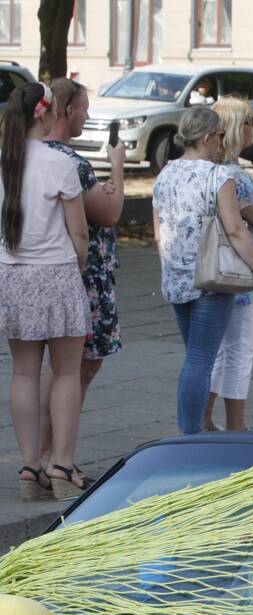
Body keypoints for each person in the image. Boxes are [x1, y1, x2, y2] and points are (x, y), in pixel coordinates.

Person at [152, 107, 253, 435]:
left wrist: (172, 268)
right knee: (201, 360)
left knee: (195, 357)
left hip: (177, 279)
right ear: (207, 138)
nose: (223, 140)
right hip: (211, 278)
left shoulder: (166, 174)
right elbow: (236, 230)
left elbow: (158, 233)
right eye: (220, 135)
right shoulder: (218, 176)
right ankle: (189, 434)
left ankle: (188, 429)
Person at [0, 83, 91, 500]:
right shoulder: (60, 164)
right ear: (45, 114)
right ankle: (61, 464)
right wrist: (82, 264)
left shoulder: (5, 162)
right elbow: (79, 232)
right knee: (67, 371)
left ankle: (28, 465)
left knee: (23, 371)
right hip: (56, 273)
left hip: (13, 274)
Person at [38, 78, 125, 480]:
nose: (88, 116)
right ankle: (57, 457)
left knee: (57, 370)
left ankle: (43, 456)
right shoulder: (71, 160)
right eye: (85, 108)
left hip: (47, 270)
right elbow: (108, 215)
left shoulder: (33, 154)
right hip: (82, 274)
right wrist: (119, 171)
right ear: (67, 110)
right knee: (73, 371)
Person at [201, 97, 253, 432]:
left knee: (215, 351)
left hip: (211, 271)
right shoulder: (237, 177)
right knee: (239, 351)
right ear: (233, 128)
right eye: (248, 121)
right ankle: (237, 426)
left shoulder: (208, 169)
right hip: (241, 274)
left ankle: (204, 419)